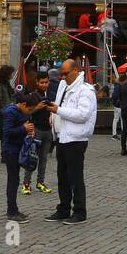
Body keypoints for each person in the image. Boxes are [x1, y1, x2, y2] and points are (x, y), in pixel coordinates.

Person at [46, 57, 97, 225]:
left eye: (66, 73)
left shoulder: (85, 90)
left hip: (76, 138)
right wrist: (52, 114)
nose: (63, 77)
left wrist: (58, 110)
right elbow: (59, 104)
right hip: (62, 137)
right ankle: (63, 208)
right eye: (61, 74)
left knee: (75, 177)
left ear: (76, 71)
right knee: (62, 176)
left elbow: (82, 115)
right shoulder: (63, 86)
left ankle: (80, 211)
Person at [2, 92, 41, 223]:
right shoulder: (11, 112)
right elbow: (7, 132)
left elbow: (26, 126)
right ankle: (11, 211)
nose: (29, 112)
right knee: (13, 180)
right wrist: (23, 128)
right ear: (23, 104)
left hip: (19, 148)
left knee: (15, 179)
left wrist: (30, 130)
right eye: (29, 109)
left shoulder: (25, 112)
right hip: (10, 150)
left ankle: (14, 209)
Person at [23, 73, 55, 194]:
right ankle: (26, 184)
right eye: (42, 82)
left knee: (43, 159)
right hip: (37, 130)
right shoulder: (32, 96)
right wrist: (37, 107)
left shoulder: (49, 95)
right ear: (37, 82)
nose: (44, 85)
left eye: (46, 82)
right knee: (32, 158)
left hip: (47, 130)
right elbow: (26, 112)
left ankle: (40, 182)